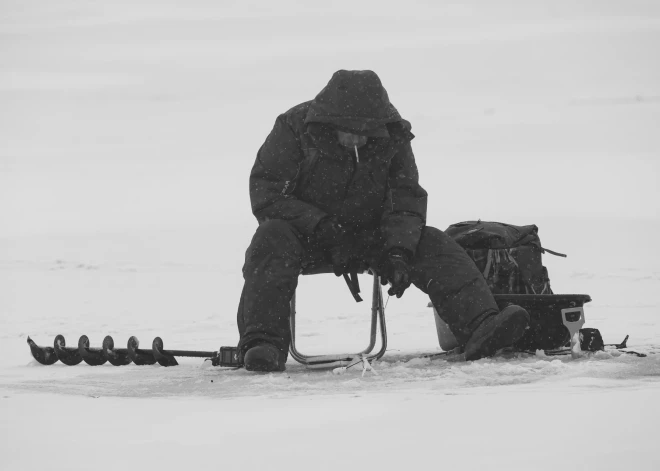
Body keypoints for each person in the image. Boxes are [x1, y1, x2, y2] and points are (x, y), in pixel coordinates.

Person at [237, 70, 530, 372]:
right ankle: (264, 345)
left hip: (372, 236)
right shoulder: (293, 127)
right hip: (307, 236)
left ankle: (482, 325)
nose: (356, 137)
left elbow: (405, 198)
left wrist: (398, 251)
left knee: (431, 241)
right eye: (348, 129)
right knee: (270, 238)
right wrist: (320, 225)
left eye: (365, 131)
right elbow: (267, 193)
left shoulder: (393, 136)